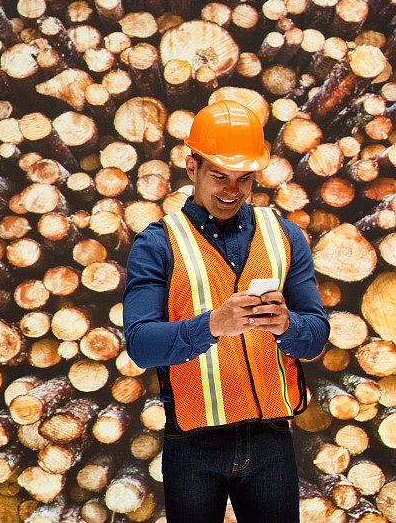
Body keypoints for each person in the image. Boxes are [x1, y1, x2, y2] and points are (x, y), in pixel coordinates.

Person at [123, 99, 329, 523]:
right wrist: (212, 326)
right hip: (193, 445)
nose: (231, 191)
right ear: (191, 167)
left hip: (272, 439)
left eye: (244, 179)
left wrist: (288, 325)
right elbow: (142, 345)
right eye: (219, 176)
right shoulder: (157, 244)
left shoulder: (286, 236)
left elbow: (316, 335)